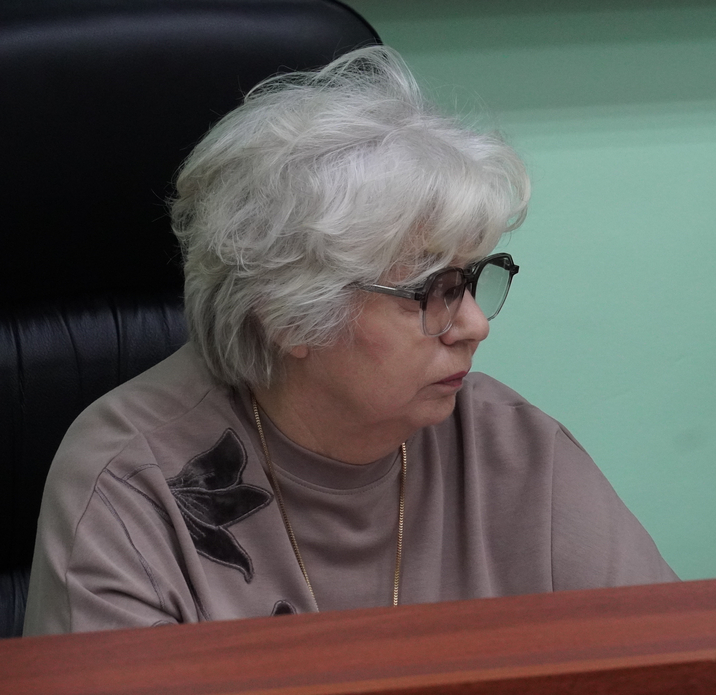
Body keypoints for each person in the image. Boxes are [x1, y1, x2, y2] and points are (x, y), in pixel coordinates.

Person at [23, 46, 676, 634]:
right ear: (287, 314)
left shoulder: (515, 452)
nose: (476, 326)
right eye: (435, 290)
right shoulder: (132, 482)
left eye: (477, 279)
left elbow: (678, 674)